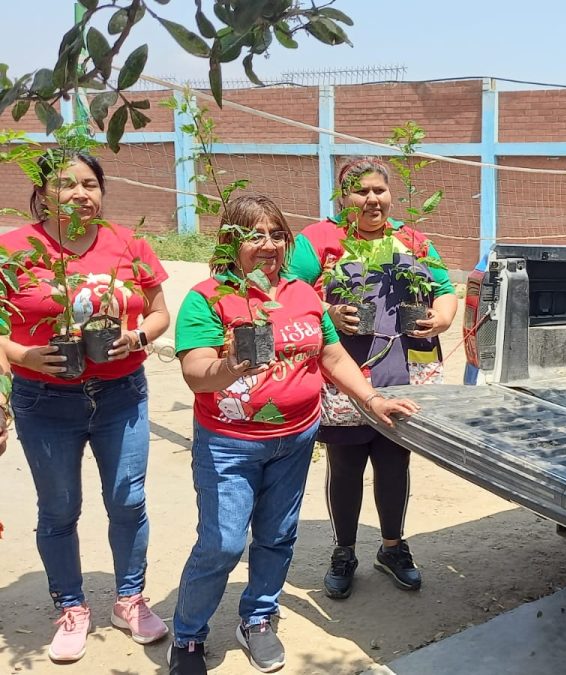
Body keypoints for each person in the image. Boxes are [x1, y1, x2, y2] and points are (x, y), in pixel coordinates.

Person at [167, 195, 418, 675]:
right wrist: (229, 365)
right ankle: (189, 634)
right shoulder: (208, 297)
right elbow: (196, 373)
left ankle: (258, 618)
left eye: (276, 234)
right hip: (230, 442)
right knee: (221, 543)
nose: (267, 245)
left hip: (296, 437)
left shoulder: (302, 293)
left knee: (278, 535)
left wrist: (372, 399)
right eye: (254, 235)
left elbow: (331, 355)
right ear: (230, 241)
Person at [0, 151, 172, 662]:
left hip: (121, 394)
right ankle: (71, 606)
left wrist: (138, 336)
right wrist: (23, 353)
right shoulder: (14, 249)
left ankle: (130, 599)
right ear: (42, 192)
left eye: (90, 184)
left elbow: (161, 313)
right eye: (66, 185)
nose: (81, 194)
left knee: (127, 499)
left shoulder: (130, 244)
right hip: (44, 400)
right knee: (59, 508)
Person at [288, 157, 457, 599]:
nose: (371, 200)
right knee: (345, 465)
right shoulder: (319, 240)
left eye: (379, 190)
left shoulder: (412, 238)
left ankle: (392, 546)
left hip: (404, 369)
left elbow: (444, 288)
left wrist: (441, 317)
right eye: (360, 191)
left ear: (390, 193)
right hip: (343, 370)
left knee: (394, 460)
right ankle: (344, 551)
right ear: (342, 196)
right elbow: (287, 292)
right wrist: (326, 310)